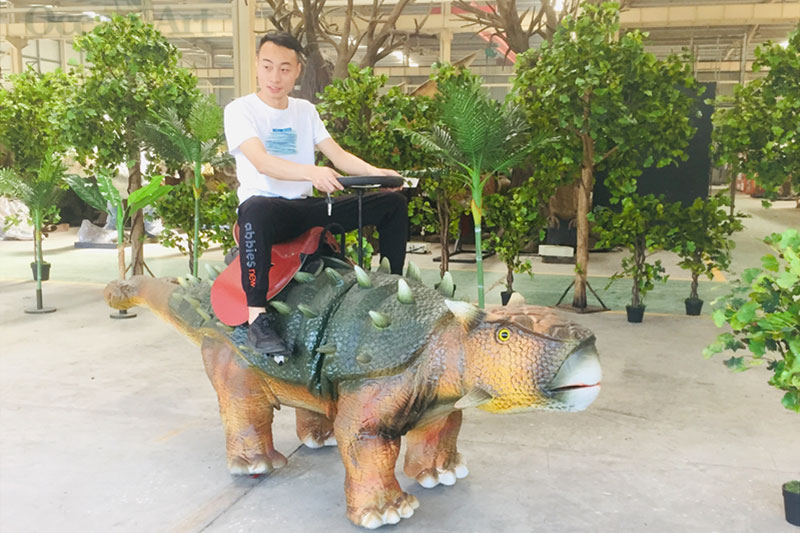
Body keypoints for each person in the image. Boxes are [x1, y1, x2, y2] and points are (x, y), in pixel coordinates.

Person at [223, 31, 408, 356]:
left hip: (307, 208)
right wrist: (312, 172)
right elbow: (262, 162)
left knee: (393, 202)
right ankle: (257, 318)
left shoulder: (305, 110)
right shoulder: (240, 110)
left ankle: (393, 289)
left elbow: (338, 157)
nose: (275, 77)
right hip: (268, 213)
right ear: (256, 65)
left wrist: (380, 175)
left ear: (297, 70)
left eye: (284, 69)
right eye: (267, 67)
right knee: (253, 209)